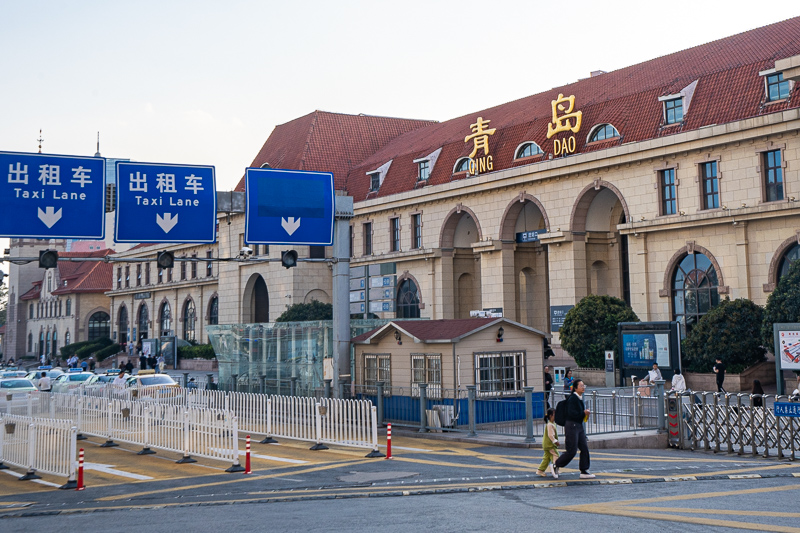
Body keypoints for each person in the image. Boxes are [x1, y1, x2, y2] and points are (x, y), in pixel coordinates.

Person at [553, 379, 594, 479]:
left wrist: (585, 414)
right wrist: (583, 413)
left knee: (584, 448)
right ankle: (556, 464)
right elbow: (571, 414)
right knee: (572, 450)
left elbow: (579, 416)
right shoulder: (573, 399)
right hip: (571, 426)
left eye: (584, 385)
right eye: (581, 386)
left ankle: (584, 470)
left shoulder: (579, 398)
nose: (583, 387)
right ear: (575, 388)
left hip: (578, 426)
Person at [537, 408, 560, 478]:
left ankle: (540, 470)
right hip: (550, 445)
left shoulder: (551, 424)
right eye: (555, 414)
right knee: (556, 455)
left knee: (546, 458)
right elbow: (550, 435)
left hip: (547, 444)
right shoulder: (550, 425)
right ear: (550, 416)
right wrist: (555, 441)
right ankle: (554, 468)